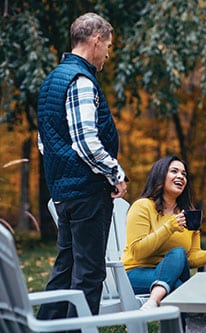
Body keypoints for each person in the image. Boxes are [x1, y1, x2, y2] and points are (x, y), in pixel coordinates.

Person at [36, 12, 128, 321]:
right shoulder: (80, 79)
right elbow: (87, 143)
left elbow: (43, 143)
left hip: (64, 190)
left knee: (66, 269)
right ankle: (80, 330)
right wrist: (116, 174)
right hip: (87, 192)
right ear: (96, 39)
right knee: (88, 273)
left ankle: (46, 327)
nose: (108, 53)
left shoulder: (52, 80)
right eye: (108, 46)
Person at [122, 156, 206, 310]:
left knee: (178, 254)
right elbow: (138, 252)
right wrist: (169, 227)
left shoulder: (189, 215)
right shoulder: (143, 206)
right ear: (160, 175)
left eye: (184, 174)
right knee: (181, 288)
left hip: (171, 273)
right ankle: (160, 305)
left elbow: (191, 257)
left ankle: (153, 301)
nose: (180, 176)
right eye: (174, 171)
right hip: (136, 273)